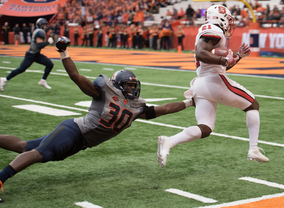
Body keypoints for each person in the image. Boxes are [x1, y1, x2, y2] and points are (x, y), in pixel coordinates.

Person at [0, 36, 194, 201]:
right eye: (127, 85)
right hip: (74, 130)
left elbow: (165, 108)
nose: (132, 89)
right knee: (38, 154)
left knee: (24, 148)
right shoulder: (103, 91)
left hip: (82, 142)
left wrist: (189, 103)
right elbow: (76, 76)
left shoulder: (136, 108)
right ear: (117, 85)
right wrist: (63, 52)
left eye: (133, 86)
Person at [157, 5, 269, 168]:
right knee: (252, 105)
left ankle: (169, 141)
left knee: (206, 127)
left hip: (202, 84)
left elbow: (218, 64)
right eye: (229, 20)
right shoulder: (213, 29)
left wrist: (238, 57)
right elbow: (202, 53)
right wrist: (224, 59)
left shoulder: (212, 33)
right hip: (213, 81)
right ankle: (253, 149)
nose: (230, 24)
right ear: (220, 17)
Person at [0, 18, 54, 92]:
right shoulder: (40, 31)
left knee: (50, 64)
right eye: (44, 25)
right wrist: (48, 42)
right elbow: (39, 45)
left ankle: (43, 81)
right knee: (21, 69)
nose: (46, 26)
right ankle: (4, 80)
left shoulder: (40, 31)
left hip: (36, 54)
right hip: (31, 55)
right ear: (40, 25)